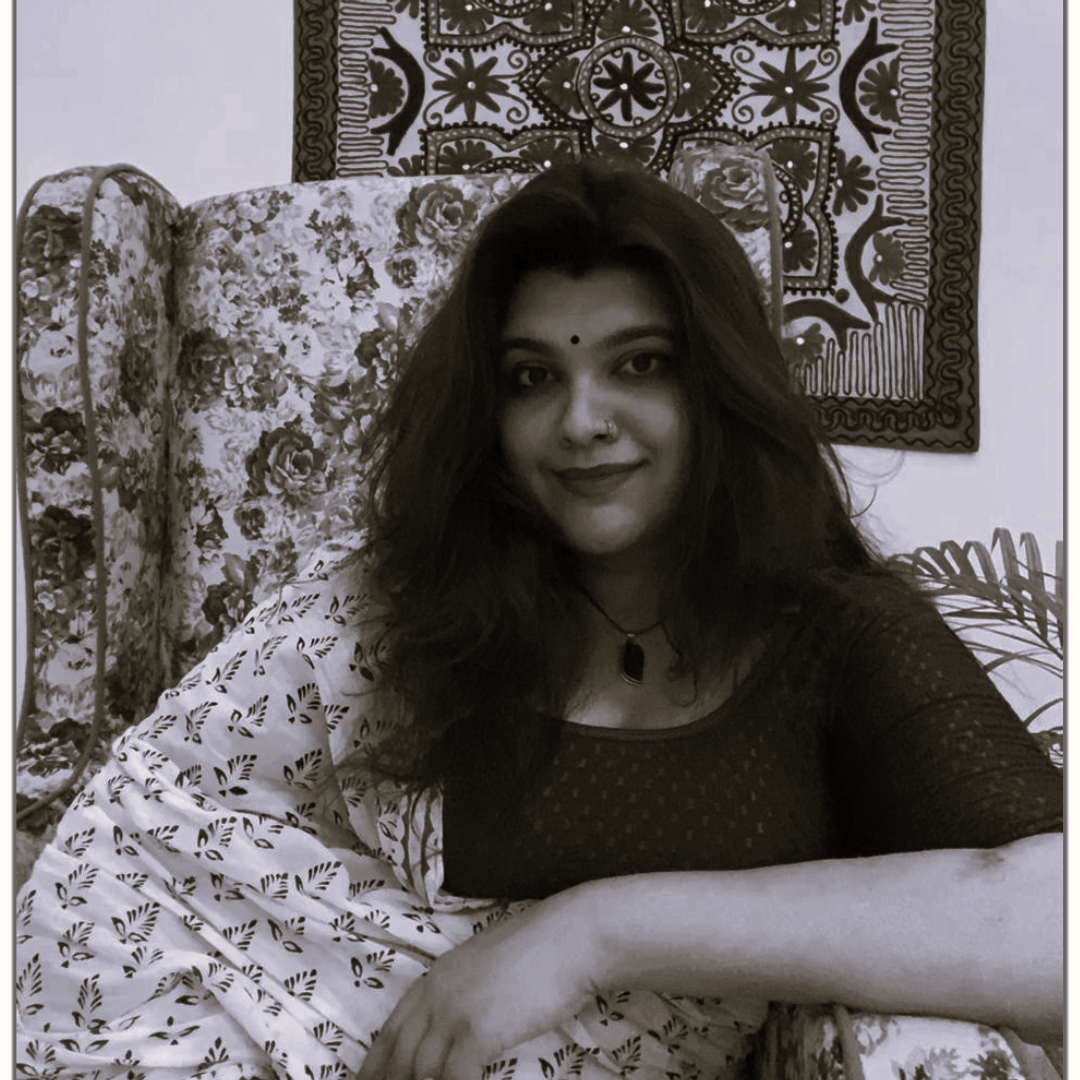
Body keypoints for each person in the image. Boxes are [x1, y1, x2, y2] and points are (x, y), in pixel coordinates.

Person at [16, 159, 1062, 1080]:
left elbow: (1056, 921)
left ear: (720, 384)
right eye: (533, 378)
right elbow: (147, 843)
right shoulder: (395, 612)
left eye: (640, 363)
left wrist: (593, 934)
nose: (582, 421)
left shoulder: (836, 633)